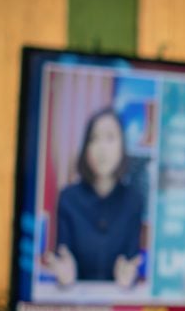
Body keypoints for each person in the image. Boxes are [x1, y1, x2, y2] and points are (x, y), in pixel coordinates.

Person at [43, 107, 146, 288]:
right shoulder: (68, 198)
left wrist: (128, 279)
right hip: (77, 304)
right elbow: (64, 256)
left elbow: (131, 261)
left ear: (122, 146)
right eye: (94, 139)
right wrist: (66, 278)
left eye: (110, 138)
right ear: (86, 148)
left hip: (117, 304)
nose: (102, 148)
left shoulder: (134, 200)